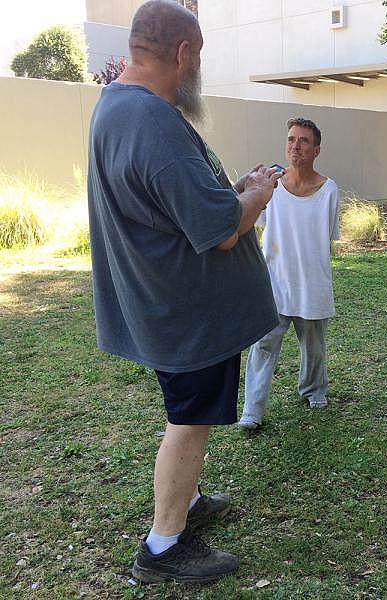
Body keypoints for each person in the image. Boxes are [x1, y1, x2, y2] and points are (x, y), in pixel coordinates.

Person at [87, 0, 283, 584]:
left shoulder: (117, 106)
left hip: (166, 304)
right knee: (190, 420)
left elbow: (176, 203)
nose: (199, 68)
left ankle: (188, 503)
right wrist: (258, 195)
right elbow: (221, 231)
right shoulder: (154, 123)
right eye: (199, 56)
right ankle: (163, 545)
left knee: (188, 413)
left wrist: (234, 190)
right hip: (186, 314)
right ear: (183, 53)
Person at [239, 118, 340, 429]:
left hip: (312, 282)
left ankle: (313, 390)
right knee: (264, 345)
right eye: (291, 139)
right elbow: (255, 227)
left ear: (316, 149)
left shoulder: (329, 190)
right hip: (275, 283)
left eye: (304, 141)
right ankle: (252, 411)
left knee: (313, 345)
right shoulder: (270, 188)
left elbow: (327, 237)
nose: (296, 146)